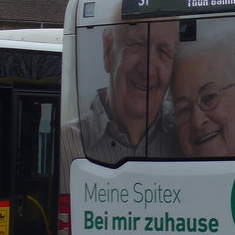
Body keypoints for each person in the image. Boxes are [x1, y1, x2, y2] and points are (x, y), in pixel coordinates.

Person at [62, 19, 181, 167]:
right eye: (136, 44)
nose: (147, 71)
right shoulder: (66, 143)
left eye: (163, 51)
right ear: (108, 50)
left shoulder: (185, 141)